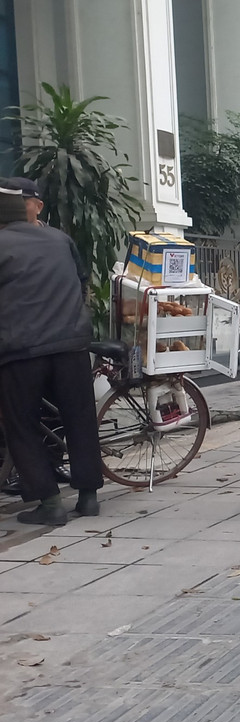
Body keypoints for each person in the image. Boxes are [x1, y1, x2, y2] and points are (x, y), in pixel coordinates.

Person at [0, 186, 103, 524]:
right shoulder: (60, 240)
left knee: (22, 425)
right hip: (71, 344)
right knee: (80, 419)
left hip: (21, 350)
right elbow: (81, 280)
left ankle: (49, 502)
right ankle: (88, 497)